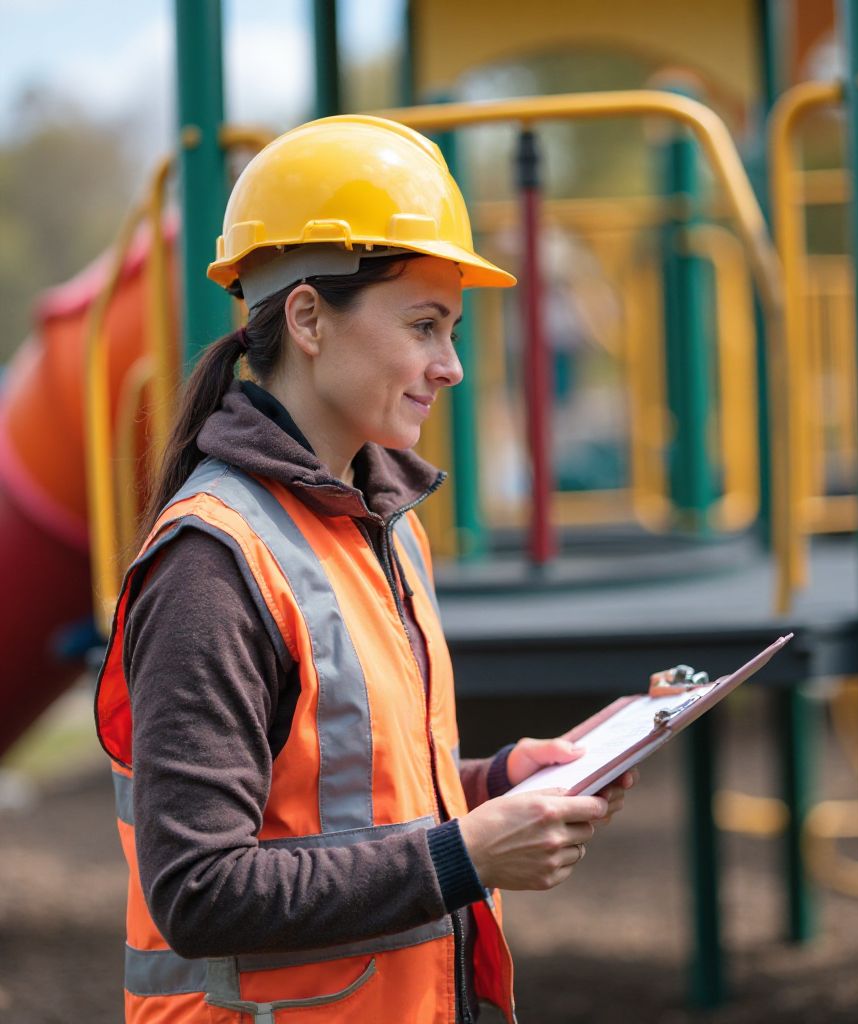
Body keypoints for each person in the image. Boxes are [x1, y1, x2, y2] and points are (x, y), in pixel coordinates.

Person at [95, 114, 636, 1024]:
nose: (452, 366)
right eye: (425, 326)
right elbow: (198, 890)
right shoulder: (212, 568)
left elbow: (344, 807)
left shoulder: (379, 525)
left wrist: (501, 783)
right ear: (307, 317)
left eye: (453, 329)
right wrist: (465, 855)